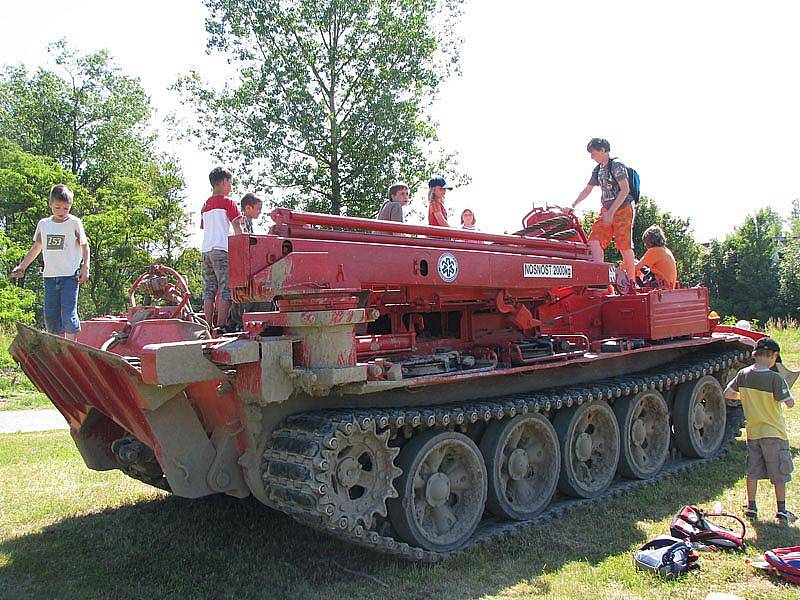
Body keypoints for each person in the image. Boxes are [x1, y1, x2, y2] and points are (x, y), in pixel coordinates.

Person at [724, 337, 796, 523]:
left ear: (754, 355)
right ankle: (781, 509)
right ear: (774, 357)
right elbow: (789, 403)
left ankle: (752, 506)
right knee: (779, 472)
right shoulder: (775, 378)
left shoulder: (743, 374)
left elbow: (727, 394)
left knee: (753, 470)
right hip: (774, 432)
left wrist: (746, 398)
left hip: (753, 432)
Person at [10, 184, 89, 341]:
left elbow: (84, 246)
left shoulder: (74, 223)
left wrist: (85, 267)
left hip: (69, 276)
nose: (61, 212)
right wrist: (23, 266)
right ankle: (58, 346)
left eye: (66, 208)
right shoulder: (44, 224)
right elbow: (37, 247)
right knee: (51, 314)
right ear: (50, 204)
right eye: (58, 207)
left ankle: (71, 346)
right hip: (50, 277)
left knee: (68, 312)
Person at [572, 138, 636, 281]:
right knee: (594, 241)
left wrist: (612, 212)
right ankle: (600, 279)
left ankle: (632, 282)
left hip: (623, 207)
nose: (591, 157)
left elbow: (625, 189)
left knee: (624, 244)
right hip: (607, 209)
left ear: (602, 150)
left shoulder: (616, 165)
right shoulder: (598, 170)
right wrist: (573, 205)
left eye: (593, 153)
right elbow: (587, 190)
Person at [201, 166, 242, 330]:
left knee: (209, 289)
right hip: (221, 249)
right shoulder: (227, 202)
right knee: (226, 288)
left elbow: (205, 227)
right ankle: (221, 325)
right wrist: (242, 241)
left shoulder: (205, 206)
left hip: (206, 250)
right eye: (230, 183)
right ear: (224, 182)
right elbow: (237, 224)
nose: (231, 187)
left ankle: (207, 325)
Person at [635, 225, 678, 289]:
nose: (645, 244)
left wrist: (622, 268)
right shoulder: (665, 250)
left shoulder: (654, 251)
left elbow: (635, 268)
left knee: (633, 271)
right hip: (668, 285)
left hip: (662, 287)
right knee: (636, 263)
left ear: (650, 241)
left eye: (646, 241)